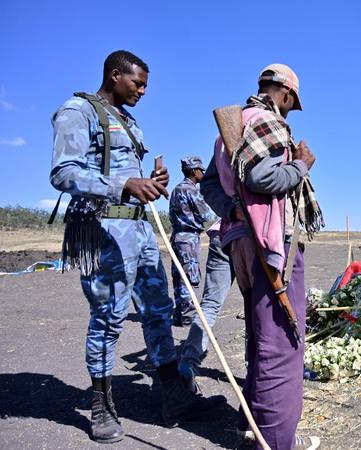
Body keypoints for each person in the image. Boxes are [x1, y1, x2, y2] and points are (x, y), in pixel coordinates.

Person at [50, 50, 225, 444]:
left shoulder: (127, 121)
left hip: (141, 230)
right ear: (114, 76)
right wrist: (124, 186)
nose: (143, 91)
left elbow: (127, 176)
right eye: (137, 83)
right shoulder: (78, 111)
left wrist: (150, 180)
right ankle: (101, 407)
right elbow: (63, 172)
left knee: (158, 311)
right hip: (103, 230)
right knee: (108, 317)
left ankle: (174, 399)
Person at [205, 63, 323, 449]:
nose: (291, 110)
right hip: (272, 246)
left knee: (260, 336)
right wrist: (301, 165)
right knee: (283, 344)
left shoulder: (233, 126)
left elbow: (210, 185)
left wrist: (233, 209)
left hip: (242, 243)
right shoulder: (268, 121)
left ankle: (257, 423)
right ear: (285, 94)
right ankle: (273, 441)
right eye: (292, 103)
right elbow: (263, 179)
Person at [178, 218, 236, 387]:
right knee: (254, 304)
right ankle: (255, 367)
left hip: (222, 231)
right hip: (247, 235)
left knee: (210, 304)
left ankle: (188, 361)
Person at [169, 156, 216, 326]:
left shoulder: (176, 189)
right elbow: (206, 215)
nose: (203, 172)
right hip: (189, 238)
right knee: (190, 276)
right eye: (201, 170)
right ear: (193, 171)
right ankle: (188, 316)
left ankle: (180, 314)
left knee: (179, 275)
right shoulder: (191, 190)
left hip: (177, 237)